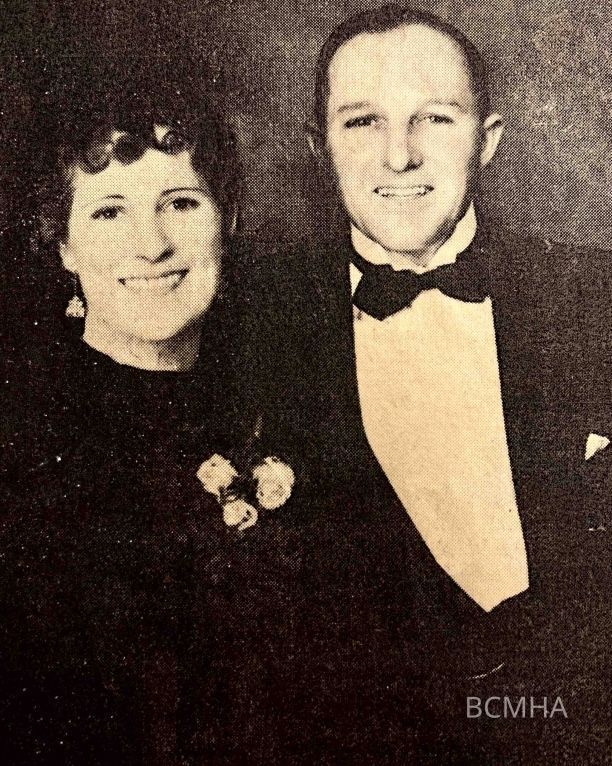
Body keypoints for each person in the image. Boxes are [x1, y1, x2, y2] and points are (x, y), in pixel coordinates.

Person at [256, 5, 610, 763]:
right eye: (362, 123)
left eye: (435, 120)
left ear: (488, 140)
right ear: (319, 146)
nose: (399, 157)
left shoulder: (596, 295)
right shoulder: (252, 325)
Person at [0, 66, 300, 765]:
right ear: (63, 245)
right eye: (109, 213)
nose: (152, 244)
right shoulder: (21, 446)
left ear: (228, 221)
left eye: (181, 203)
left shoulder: (281, 399)